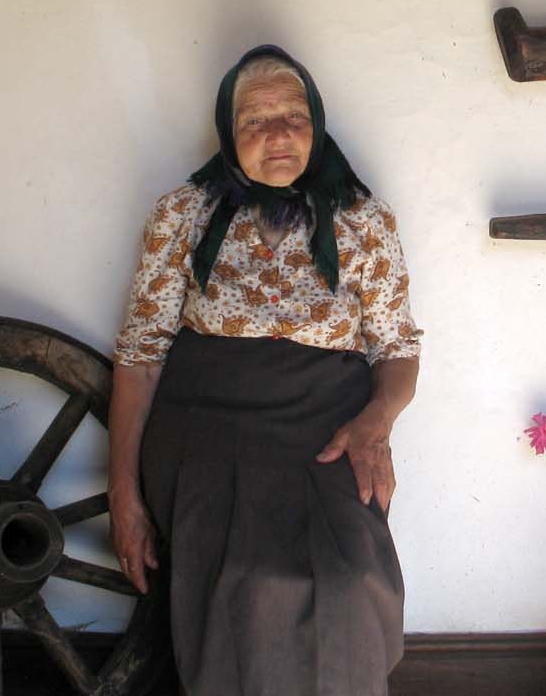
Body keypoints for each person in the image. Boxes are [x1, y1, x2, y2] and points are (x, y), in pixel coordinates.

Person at [108, 45, 422, 696]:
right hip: (206, 435)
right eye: (256, 121)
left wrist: (376, 423)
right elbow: (139, 358)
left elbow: (396, 349)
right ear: (229, 134)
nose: (278, 135)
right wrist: (123, 492)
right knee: (245, 585)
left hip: (327, 434)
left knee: (350, 580)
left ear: (317, 126)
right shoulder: (182, 216)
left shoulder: (363, 222)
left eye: (294, 117)